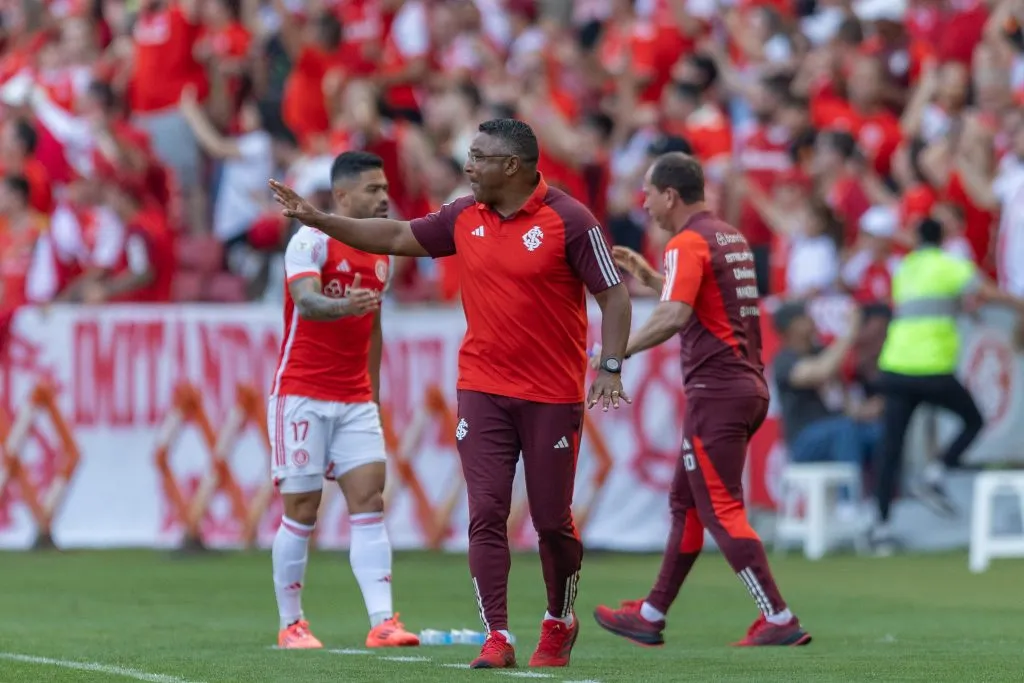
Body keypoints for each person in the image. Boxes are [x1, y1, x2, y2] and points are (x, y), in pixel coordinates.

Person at [270, 118, 633, 669]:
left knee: (552, 521)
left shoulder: (570, 220)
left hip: (551, 395)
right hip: (481, 390)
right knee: (485, 513)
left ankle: (558, 619)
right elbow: (394, 236)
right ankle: (499, 635)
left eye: (479, 157)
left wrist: (609, 365)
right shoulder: (465, 215)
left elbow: (614, 295)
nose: (468, 166)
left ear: (511, 166)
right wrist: (320, 219)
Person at [593, 152, 811, 648]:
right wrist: (650, 277)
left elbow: (674, 316)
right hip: (742, 387)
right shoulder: (726, 236)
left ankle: (777, 616)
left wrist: (614, 353)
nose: (643, 204)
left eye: (647, 193)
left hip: (717, 391)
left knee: (720, 509)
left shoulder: (687, 242)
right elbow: (698, 302)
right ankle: (650, 613)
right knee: (686, 504)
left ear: (670, 195)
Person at [268, 151, 420, 650]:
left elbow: (373, 328)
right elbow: (307, 303)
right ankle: (292, 623)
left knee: (370, 501)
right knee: (303, 508)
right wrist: (343, 306)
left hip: (354, 398)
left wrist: (372, 397)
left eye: (385, 188)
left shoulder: (383, 252)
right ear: (342, 197)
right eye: (373, 190)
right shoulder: (308, 242)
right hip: (302, 393)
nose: (384, 197)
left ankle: (383, 622)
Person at [871, 217, 1024, 553]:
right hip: (932, 367)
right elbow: (985, 292)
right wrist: (1019, 305)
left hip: (895, 366)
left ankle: (881, 528)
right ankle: (936, 472)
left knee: (891, 449)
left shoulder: (905, 269)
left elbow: (928, 304)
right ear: (943, 239)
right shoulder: (949, 265)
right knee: (974, 420)